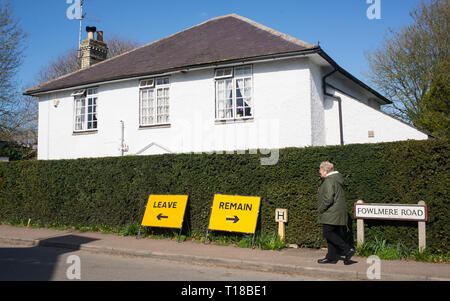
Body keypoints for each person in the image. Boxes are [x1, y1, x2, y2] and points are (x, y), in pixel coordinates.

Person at [317, 161, 355, 264]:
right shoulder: (336, 179)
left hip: (331, 212)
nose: (319, 172)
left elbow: (328, 198)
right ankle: (331, 257)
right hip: (338, 212)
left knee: (327, 233)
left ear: (325, 171)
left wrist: (321, 208)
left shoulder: (329, 180)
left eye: (320, 169)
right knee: (332, 234)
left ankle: (347, 249)